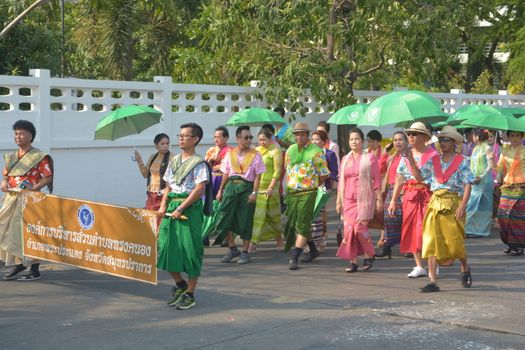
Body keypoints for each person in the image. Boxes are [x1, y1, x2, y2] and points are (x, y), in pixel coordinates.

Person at [414, 126, 474, 292]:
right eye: (441, 140)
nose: (443, 143)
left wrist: (463, 205)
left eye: (446, 140)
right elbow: (419, 176)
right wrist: (408, 158)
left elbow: (468, 183)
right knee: (431, 242)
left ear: (454, 142)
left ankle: (465, 267)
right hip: (435, 203)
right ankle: (433, 281)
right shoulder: (434, 160)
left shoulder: (462, 161)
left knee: (455, 244)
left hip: (453, 203)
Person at [157, 123, 210, 310]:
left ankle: (190, 293)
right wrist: (164, 204)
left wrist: (181, 207)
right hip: (172, 206)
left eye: (185, 136)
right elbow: (168, 186)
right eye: (179, 135)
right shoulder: (174, 160)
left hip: (190, 208)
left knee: (191, 250)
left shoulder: (199, 163)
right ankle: (180, 284)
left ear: (195, 139)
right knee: (165, 246)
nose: (181, 138)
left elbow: (199, 188)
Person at [1, 120, 53, 281]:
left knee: (31, 233)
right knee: (7, 230)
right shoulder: (12, 157)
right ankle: (18, 263)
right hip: (11, 198)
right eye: (16, 133)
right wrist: (4, 183)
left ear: (31, 136)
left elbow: (48, 177)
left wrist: (35, 187)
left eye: (22, 133)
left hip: (30, 199)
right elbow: (6, 175)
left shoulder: (38, 156)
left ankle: (32, 269)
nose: (18, 136)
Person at [388, 122, 439, 278]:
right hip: (409, 196)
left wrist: (410, 159)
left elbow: (421, 177)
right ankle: (419, 266)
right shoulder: (405, 156)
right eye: (409, 134)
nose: (410, 137)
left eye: (414, 134)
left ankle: (433, 264)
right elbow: (400, 177)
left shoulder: (433, 155)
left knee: (429, 231)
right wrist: (393, 200)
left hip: (427, 196)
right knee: (411, 229)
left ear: (424, 137)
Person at [214, 126, 265, 264]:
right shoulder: (230, 154)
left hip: (247, 188)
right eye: (246, 137)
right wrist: (220, 190)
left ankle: (245, 252)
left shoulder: (255, 155)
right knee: (226, 217)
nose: (249, 140)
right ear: (238, 139)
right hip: (231, 187)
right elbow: (225, 173)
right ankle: (232, 249)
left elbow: (258, 177)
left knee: (246, 220)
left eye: (250, 137)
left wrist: (254, 193)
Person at [284, 122, 330, 270]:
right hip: (292, 193)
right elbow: (288, 169)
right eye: (296, 134)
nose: (299, 136)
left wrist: (313, 186)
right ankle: (313, 249)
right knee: (296, 224)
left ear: (307, 135)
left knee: (303, 222)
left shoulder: (316, 151)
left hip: (308, 193)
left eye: (302, 134)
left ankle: (295, 256)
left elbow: (324, 173)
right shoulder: (290, 150)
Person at [336, 128, 382, 272]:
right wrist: (338, 201)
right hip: (347, 200)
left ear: (362, 141)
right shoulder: (345, 159)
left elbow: (377, 180)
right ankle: (353, 261)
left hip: (364, 200)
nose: (354, 142)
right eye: (351, 139)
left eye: (357, 139)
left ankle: (369, 255)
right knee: (349, 231)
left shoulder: (370, 158)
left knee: (360, 229)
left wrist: (379, 198)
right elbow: (341, 181)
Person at [249, 127, 283, 252]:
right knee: (258, 216)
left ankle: (279, 237)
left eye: (264, 140)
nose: (262, 142)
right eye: (260, 140)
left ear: (270, 139)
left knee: (274, 216)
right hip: (258, 187)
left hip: (271, 187)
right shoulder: (256, 150)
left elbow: (278, 171)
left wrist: (271, 187)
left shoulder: (275, 150)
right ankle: (253, 242)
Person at [376, 131, 407, 259]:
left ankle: (408, 246)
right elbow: (381, 169)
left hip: (405, 191)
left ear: (406, 141)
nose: (397, 142)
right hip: (392, 190)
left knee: (405, 220)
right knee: (389, 218)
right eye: (395, 140)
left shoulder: (409, 156)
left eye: (400, 139)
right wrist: (385, 153)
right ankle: (387, 246)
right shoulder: (393, 156)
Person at [496, 130, 525, 256]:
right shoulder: (505, 151)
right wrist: (491, 159)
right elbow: (499, 168)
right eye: (512, 135)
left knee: (517, 217)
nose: (514, 138)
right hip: (507, 187)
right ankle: (510, 243)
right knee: (503, 216)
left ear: (521, 137)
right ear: (508, 136)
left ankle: (518, 245)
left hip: (521, 187)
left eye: (517, 135)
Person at [310, 130, 338, 250]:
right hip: (310, 188)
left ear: (324, 141)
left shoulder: (330, 154)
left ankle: (319, 241)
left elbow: (334, 172)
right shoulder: (308, 154)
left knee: (318, 216)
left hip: (323, 188)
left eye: (317, 139)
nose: (314, 142)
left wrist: (326, 175)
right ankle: (313, 242)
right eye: (313, 139)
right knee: (311, 217)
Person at [465, 129, 493, 237]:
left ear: (477, 136)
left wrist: (481, 176)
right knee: (471, 204)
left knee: (483, 206)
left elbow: (490, 166)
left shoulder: (487, 148)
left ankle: (481, 230)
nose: (472, 137)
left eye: (473, 135)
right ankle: (469, 229)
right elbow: (473, 165)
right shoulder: (475, 148)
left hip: (485, 181)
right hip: (475, 181)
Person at [134, 133, 171, 211]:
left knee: (161, 219)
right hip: (151, 194)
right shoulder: (152, 157)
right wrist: (139, 160)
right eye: (162, 144)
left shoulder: (172, 158)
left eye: (167, 143)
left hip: (164, 194)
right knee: (150, 217)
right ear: (156, 145)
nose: (165, 146)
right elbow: (145, 174)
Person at [204, 126, 232, 199]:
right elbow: (205, 166)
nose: (216, 140)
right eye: (215, 137)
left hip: (223, 179)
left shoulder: (231, 151)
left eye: (218, 137)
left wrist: (217, 163)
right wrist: (211, 160)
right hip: (211, 179)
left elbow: (227, 168)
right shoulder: (211, 150)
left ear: (226, 138)